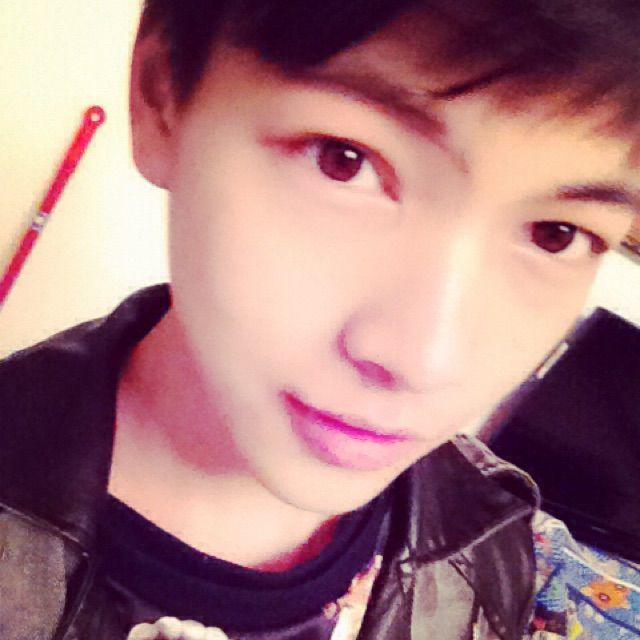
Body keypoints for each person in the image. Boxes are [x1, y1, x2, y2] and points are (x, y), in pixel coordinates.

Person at [1, 1, 639, 639]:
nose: (427, 361)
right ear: (162, 94)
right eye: (343, 160)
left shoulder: (493, 539)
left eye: (556, 234)